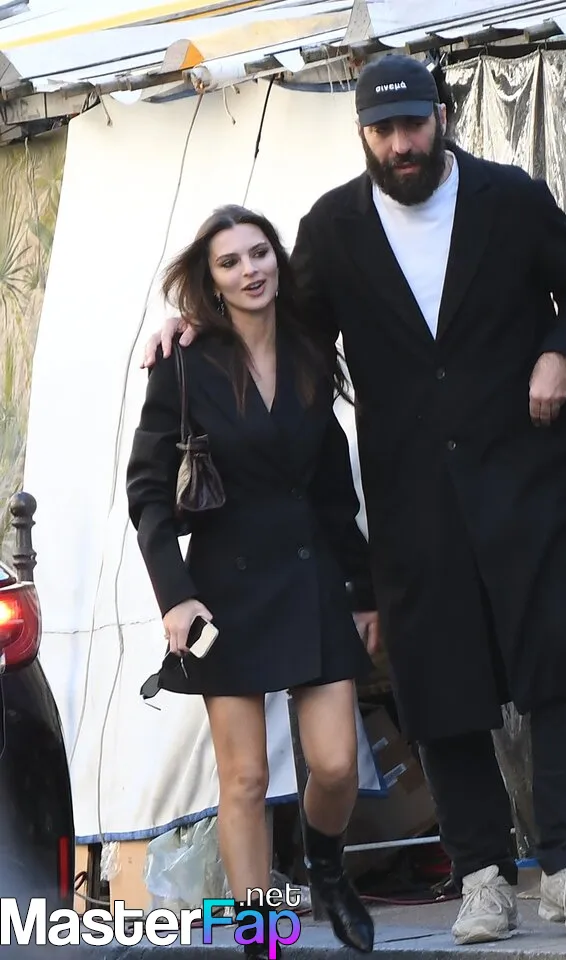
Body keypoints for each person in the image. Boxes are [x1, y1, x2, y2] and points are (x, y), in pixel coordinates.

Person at [142, 54, 566, 945]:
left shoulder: (511, 198)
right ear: (362, 134)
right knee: (443, 685)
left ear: (442, 117)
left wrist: (561, 354)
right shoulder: (333, 228)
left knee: (559, 667)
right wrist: (194, 324)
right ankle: (483, 875)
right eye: (382, 130)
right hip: (412, 501)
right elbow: (278, 326)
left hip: (529, 483)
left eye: (413, 125)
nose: (401, 144)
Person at [126, 204, 377, 956]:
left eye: (259, 253)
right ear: (211, 282)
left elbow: (334, 489)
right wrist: (175, 596)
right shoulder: (183, 363)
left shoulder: (309, 351)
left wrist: (363, 591)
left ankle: (325, 867)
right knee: (243, 779)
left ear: (278, 259)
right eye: (230, 262)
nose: (249, 270)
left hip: (310, 576)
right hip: (224, 594)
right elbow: (147, 491)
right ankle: (260, 936)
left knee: (336, 764)